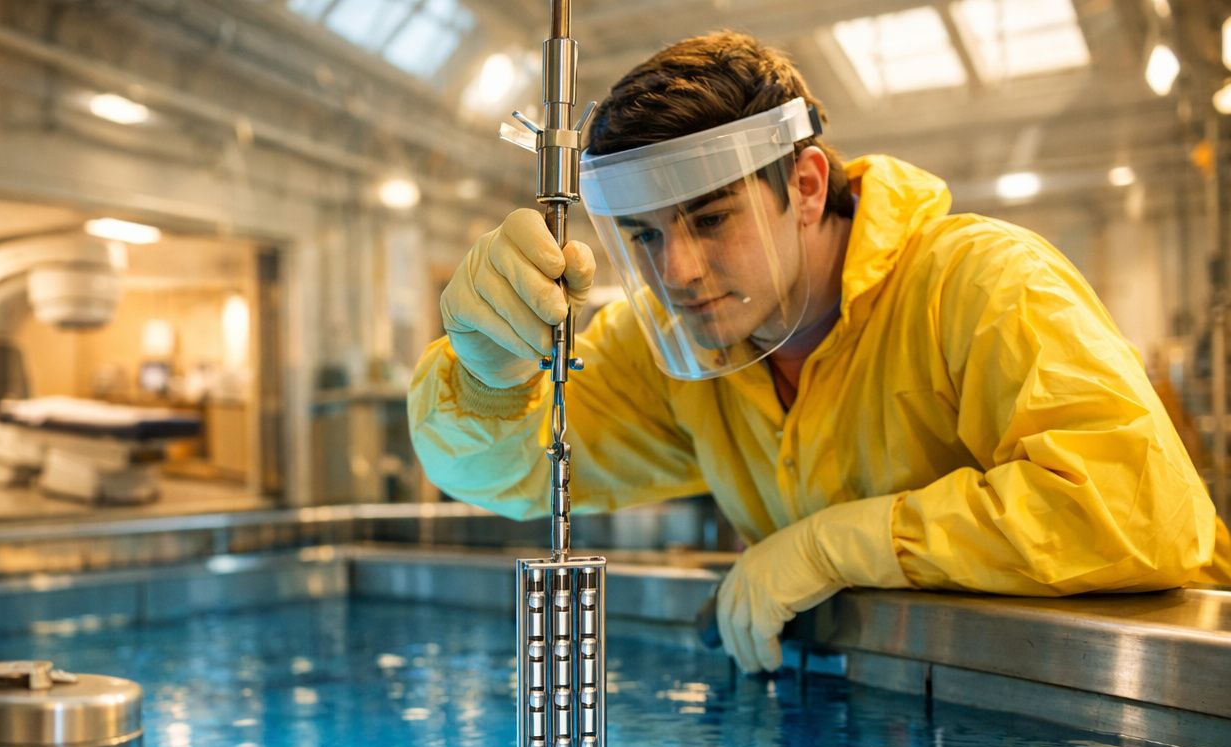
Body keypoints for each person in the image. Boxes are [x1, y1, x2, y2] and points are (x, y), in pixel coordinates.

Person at [408, 31, 1231, 674]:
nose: (678, 271)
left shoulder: (980, 285)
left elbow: (1134, 516)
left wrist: (835, 545)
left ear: (803, 185)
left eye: (712, 217)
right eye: (646, 236)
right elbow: (509, 476)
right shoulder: (672, 349)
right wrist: (487, 370)